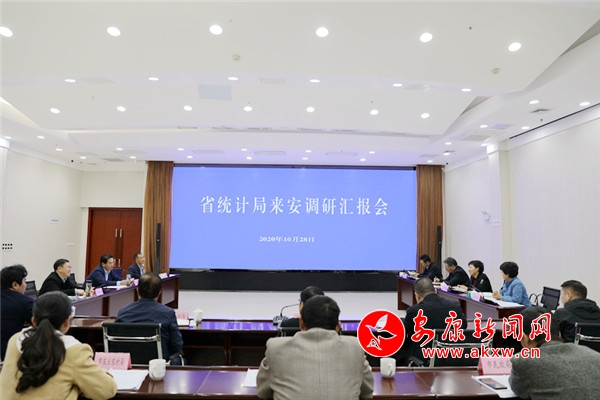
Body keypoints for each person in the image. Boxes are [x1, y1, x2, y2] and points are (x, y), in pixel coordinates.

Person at [0, 291, 117, 400]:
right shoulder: (74, 351)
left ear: (34, 321)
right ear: (67, 322)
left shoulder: (15, 340)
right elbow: (106, 390)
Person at [257, 295, 373, 400]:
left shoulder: (276, 348)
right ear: (338, 326)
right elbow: (367, 393)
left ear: (301, 323)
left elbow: (263, 393)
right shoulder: (355, 348)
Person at [509, 306, 600, 399]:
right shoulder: (595, 356)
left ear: (525, 338)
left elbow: (519, 390)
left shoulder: (524, 362)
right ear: (559, 333)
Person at [115, 272, 184, 364]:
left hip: (130, 364)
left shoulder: (123, 312)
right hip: (159, 365)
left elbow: (115, 343)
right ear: (159, 293)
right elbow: (177, 345)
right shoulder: (168, 313)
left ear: (137, 290)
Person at [401, 277, 467, 364]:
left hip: (423, 359)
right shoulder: (455, 306)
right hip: (451, 357)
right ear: (435, 291)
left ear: (417, 295)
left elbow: (404, 331)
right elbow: (463, 326)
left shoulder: (414, 311)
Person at [1, 265, 34, 361]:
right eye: (24, 281)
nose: (25, 285)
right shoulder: (24, 302)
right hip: (9, 352)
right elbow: (38, 322)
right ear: (15, 285)